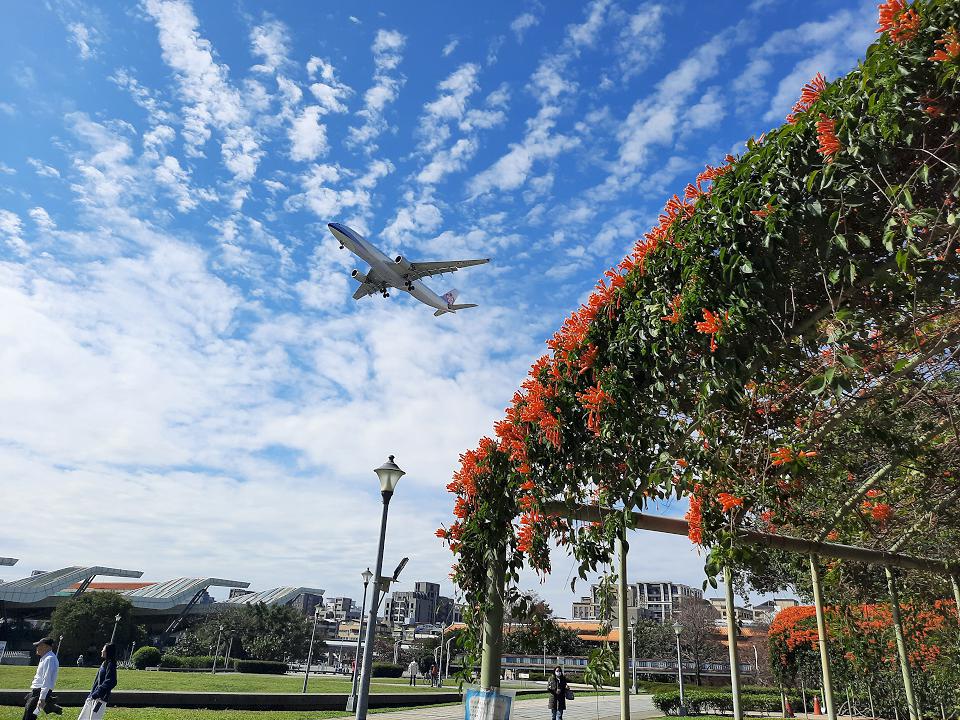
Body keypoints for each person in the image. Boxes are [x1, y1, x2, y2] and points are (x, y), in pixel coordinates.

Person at [23, 637, 62, 718]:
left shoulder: (49, 659)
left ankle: (50, 705)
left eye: (39, 645)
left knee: (29, 716)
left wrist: (42, 698)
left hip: (40, 691)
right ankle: (51, 706)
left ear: (46, 647)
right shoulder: (45, 658)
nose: (37, 647)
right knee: (30, 713)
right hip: (37, 691)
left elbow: (47, 679)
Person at [78, 643, 117, 720]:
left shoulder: (110, 665)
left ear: (108, 652)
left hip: (99, 700)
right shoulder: (105, 663)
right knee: (83, 718)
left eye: (103, 649)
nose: (101, 651)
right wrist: (92, 695)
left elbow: (111, 681)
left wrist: (97, 694)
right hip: (93, 697)